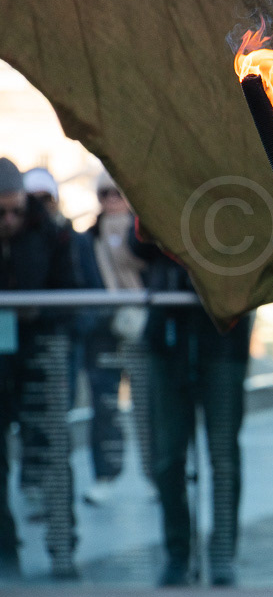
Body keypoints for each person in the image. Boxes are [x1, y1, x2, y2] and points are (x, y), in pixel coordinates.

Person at [134, 227, 251, 586]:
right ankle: (177, 553)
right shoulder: (157, 190)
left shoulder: (234, 195)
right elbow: (135, 242)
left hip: (223, 338)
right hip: (168, 338)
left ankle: (222, 555)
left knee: (223, 457)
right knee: (168, 458)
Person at [0, 157, 79, 579]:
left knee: (52, 455)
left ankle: (62, 551)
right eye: (1, 213)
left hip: (39, 354)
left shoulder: (49, 233)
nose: (9, 219)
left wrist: (36, 313)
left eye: (15, 210)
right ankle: (5, 555)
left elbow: (72, 297)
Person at [75, 172, 145, 506]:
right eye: (105, 193)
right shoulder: (88, 237)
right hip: (103, 330)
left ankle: (156, 475)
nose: (112, 199)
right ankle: (104, 476)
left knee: (149, 405)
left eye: (118, 192)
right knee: (103, 407)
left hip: (143, 325)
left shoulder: (144, 232)